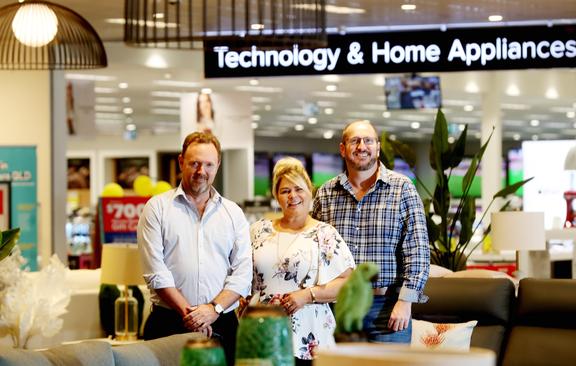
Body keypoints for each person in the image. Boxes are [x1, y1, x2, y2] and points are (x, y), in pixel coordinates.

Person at [137, 132, 252, 366]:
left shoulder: (233, 213)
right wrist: (192, 315)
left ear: (217, 165)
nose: (201, 171)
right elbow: (156, 272)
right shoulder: (157, 208)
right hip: (168, 322)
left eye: (209, 164)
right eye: (194, 163)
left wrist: (213, 309)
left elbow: (242, 274)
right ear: (181, 162)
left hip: (222, 323)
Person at [312, 119, 430, 344]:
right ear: (343, 149)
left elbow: (418, 250)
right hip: (337, 307)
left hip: (387, 309)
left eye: (368, 141)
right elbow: (313, 250)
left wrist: (405, 301)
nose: (361, 147)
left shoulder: (402, 189)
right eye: (354, 141)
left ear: (377, 147)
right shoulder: (326, 194)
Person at [249, 157, 355, 365]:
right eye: (285, 191)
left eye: (298, 189)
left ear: (310, 191)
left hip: (310, 336)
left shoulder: (324, 234)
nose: (293, 196)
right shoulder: (258, 231)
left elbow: (347, 283)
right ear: (276, 196)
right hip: (262, 333)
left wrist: (308, 295)